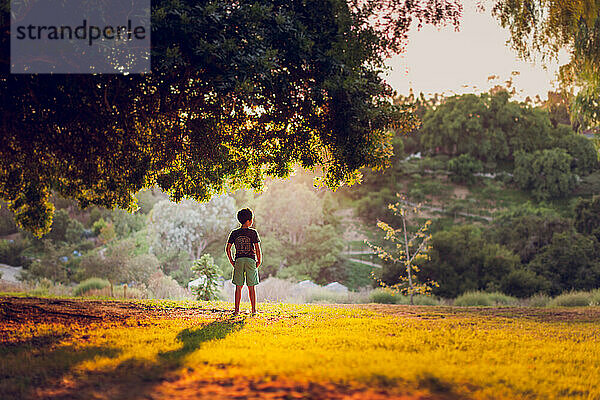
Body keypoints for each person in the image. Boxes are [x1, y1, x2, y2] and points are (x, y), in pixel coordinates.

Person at [225, 208, 262, 316]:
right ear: (248, 221)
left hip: (239, 260)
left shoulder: (234, 233)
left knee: (238, 287)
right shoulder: (253, 232)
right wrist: (259, 260)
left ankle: (236, 311)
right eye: (251, 220)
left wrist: (232, 260)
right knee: (251, 287)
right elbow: (257, 248)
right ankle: (254, 310)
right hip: (251, 260)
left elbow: (227, 248)